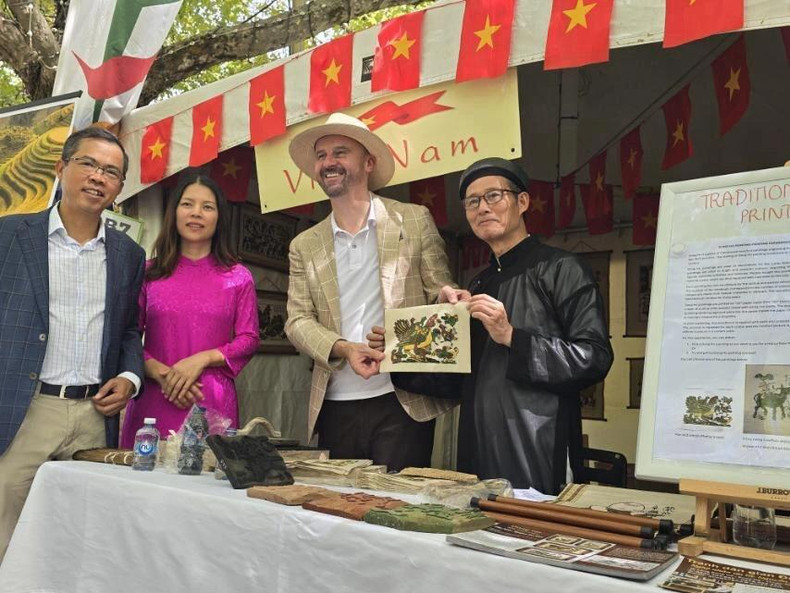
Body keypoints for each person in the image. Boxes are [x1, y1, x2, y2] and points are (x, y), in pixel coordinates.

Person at [370, 157, 613, 494]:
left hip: (539, 445)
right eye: (473, 201)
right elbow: (459, 380)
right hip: (477, 445)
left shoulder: (563, 269)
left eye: (494, 196)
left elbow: (595, 357)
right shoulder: (478, 285)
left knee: (530, 537)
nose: (482, 208)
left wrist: (512, 337)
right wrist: (395, 355)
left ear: (522, 202)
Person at [0, 127, 145, 560]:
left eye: (111, 172)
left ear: (119, 187)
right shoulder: (8, 237)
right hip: (25, 412)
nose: (98, 177)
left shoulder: (128, 254)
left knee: (74, 542)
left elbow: (129, 331)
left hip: (92, 417)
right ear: (62, 167)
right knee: (5, 534)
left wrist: (129, 377)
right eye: (88, 164)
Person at [284, 113, 460, 471]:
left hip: (404, 398)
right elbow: (297, 320)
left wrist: (448, 301)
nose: (328, 162)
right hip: (334, 401)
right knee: (337, 513)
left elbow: (440, 290)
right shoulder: (304, 245)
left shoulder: (413, 219)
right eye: (321, 156)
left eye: (340, 152)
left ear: (368, 162)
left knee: (396, 513)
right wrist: (345, 348)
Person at [121, 175, 259, 446]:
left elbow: (249, 339)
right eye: (187, 204)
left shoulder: (238, 277)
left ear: (219, 218)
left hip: (210, 399)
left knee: (204, 482)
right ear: (174, 212)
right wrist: (166, 377)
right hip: (154, 397)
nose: (196, 213)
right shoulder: (149, 273)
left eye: (207, 207)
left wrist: (202, 359)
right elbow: (129, 335)